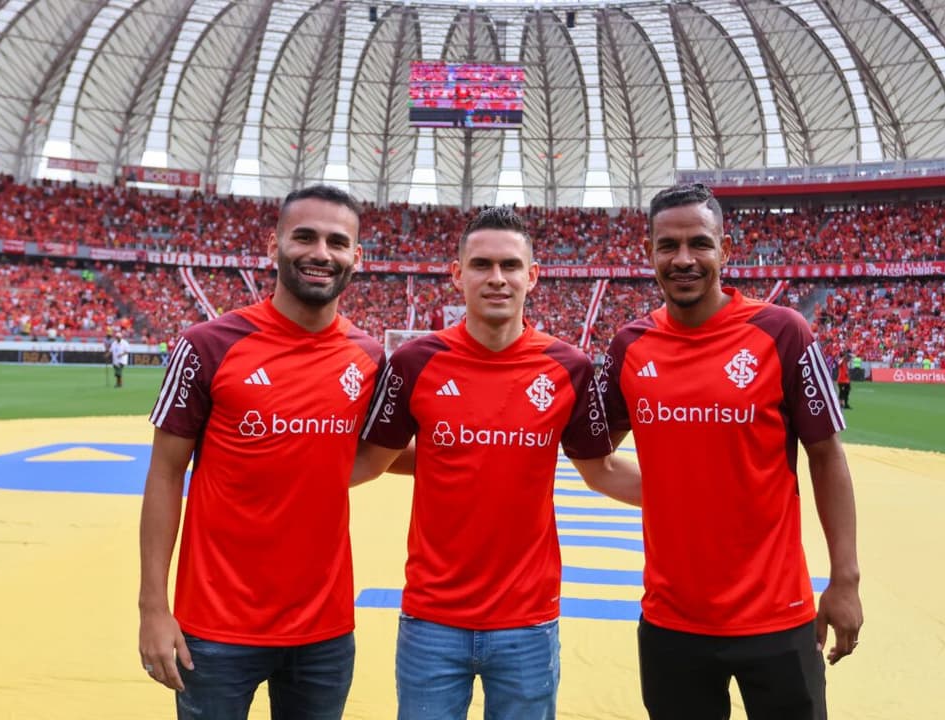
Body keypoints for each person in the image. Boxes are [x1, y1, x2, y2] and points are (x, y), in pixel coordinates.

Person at [351, 206, 640, 720]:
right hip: (431, 619)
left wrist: (702, 493)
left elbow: (602, 470)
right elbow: (374, 459)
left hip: (528, 622)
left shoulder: (568, 368)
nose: (497, 278)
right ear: (457, 274)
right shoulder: (415, 362)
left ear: (532, 275)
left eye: (510, 266)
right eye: (482, 265)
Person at [598, 183, 862, 720]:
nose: (684, 259)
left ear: (725, 249)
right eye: (668, 246)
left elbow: (826, 456)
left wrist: (845, 581)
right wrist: (673, 493)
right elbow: (591, 453)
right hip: (672, 621)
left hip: (779, 617)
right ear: (649, 253)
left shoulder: (781, 332)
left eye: (699, 243)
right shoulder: (630, 346)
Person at [138, 185, 384, 720]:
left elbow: (372, 453)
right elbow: (163, 475)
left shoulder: (369, 358)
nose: (321, 252)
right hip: (214, 629)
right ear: (273, 245)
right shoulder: (208, 345)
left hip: (325, 630)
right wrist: (153, 609)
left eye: (337, 242)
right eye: (305, 236)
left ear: (357, 257)